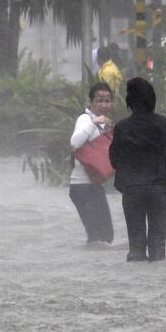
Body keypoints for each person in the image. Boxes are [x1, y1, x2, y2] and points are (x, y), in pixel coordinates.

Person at [108, 77, 166, 261]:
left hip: (132, 190)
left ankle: (135, 287)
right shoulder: (165, 124)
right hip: (159, 190)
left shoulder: (122, 127)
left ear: (129, 101)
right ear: (152, 99)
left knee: (136, 246)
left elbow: (114, 160)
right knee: (158, 245)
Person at [69, 82, 115, 246]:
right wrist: (94, 123)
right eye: (99, 100)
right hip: (81, 187)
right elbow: (74, 143)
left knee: (106, 235)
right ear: (91, 102)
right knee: (97, 236)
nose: (104, 104)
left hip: (95, 186)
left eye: (107, 100)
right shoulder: (85, 119)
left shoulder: (105, 124)